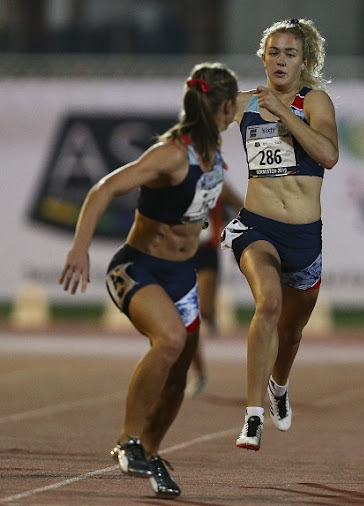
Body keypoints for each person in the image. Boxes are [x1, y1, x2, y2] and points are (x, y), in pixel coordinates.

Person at [59, 62, 239, 497]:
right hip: (137, 268)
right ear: (226, 109)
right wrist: (79, 248)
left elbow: (254, 101)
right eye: (235, 108)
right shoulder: (173, 154)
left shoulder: (214, 151)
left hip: (182, 276)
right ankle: (127, 440)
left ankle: (150, 451)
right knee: (172, 340)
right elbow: (101, 189)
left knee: (179, 375)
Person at [220, 18, 338, 451]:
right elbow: (196, 127)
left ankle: (279, 387)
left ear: (304, 60)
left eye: (290, 53)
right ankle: (253, 416)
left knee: (292, 331)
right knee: (268, 303)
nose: (281, 60)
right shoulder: (243, 103)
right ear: (263, 57)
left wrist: (285, 111)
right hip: (258, 226)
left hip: (304, 237)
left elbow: (328, 155)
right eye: (273, 52)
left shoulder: (315, 101)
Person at [185, 183, 243, 398]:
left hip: (207, 253)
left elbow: (242, 208)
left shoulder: (218, 184)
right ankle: (199, 373)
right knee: (188, 317)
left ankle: (210, 317)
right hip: (180, 252)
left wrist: (238, 237)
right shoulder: (173, 177)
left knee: (206, 310)